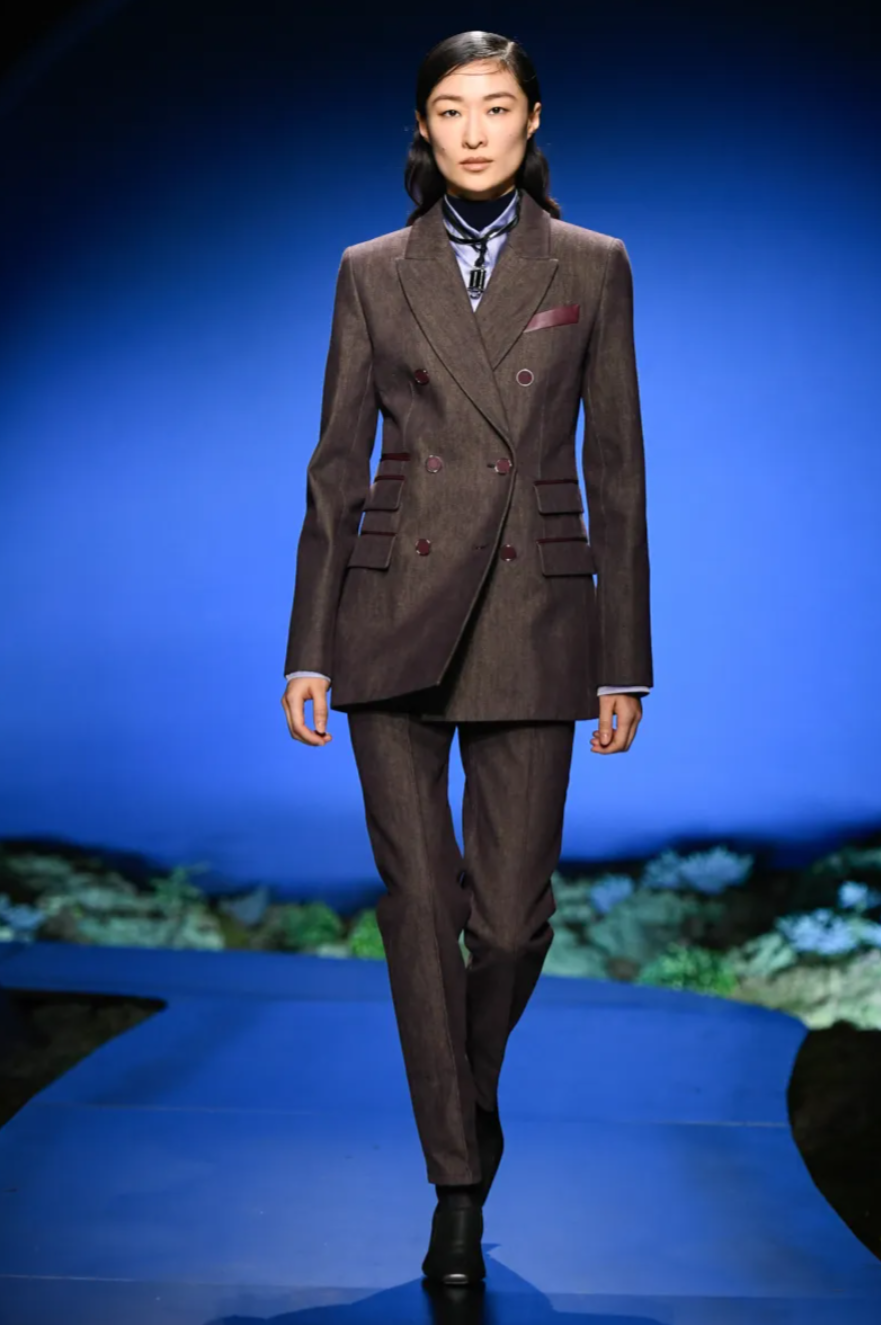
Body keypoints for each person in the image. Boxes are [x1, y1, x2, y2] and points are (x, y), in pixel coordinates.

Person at [280, 30, 653, 1286]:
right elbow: (334, 468)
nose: (474, 131)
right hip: (387, 613)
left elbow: (617, 469)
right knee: (419, 908)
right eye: (451, 110)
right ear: (423, 128)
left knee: (506, 922)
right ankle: (454, 1181)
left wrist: (622, 660)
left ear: (532, 119)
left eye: (495, 107)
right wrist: (307, 647)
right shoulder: (369, 271)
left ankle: (466, 1098)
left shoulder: (591, 263)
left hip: (536, 612)